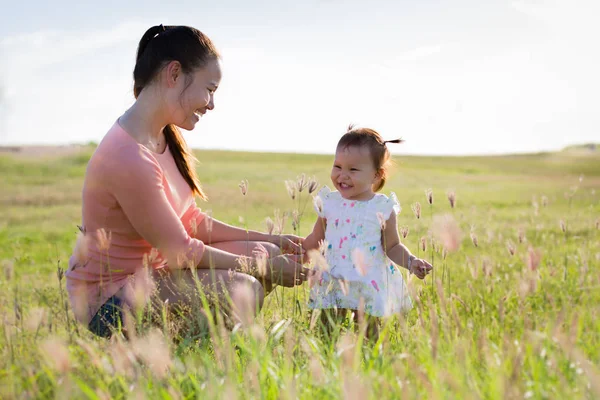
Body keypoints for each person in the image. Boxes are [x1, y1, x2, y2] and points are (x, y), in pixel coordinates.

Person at [65, 25, 308, 338]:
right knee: (245, 287)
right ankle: (176, 362)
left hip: (156, 272)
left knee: (265, 252)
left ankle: (190, 348)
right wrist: (265, 269)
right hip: (109, 299)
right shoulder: (128, 157)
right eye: (209, 89)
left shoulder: (162, 135)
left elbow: (191, 221)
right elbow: (181, 252)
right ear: (174, 74)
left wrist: (271, 240)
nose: (211, 104)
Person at [302, 126, 433, 338]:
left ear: (376, 175)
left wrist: (411, 262)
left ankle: (368, 365)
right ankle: (326, 362)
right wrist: (295, 254)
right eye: (337, 166)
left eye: (353, 170)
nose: (342, 175)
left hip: (367, 280)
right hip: (333, 277)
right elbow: (316, 239)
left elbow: (392, 246)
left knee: (367, 333)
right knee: (326, 331)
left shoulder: (382, 207)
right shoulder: (329, 202)